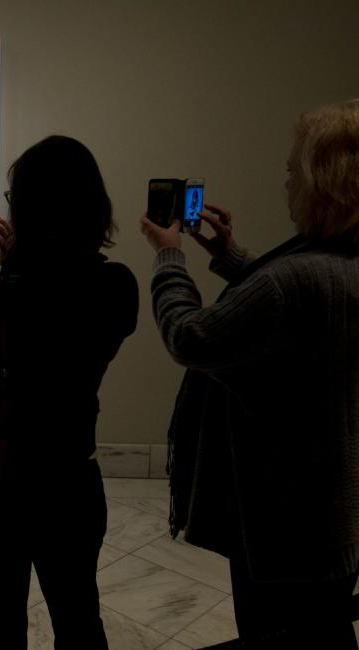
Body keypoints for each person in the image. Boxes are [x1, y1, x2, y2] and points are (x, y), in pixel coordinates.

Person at [141, 99, 359, 647]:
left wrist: (170, 259)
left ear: (322, 180)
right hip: (334, 513)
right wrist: (232, 257)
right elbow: (300, 310)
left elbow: (190, 336)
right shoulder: (338, 262)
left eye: (292, 171)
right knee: (325, 628)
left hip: (285, 519)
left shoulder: (296, 280)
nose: (286, 182)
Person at [0, 135, 137, 649]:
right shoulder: (116, 287)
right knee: (80, 619)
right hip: (71, 479)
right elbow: (64, 322)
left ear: (25, 210)